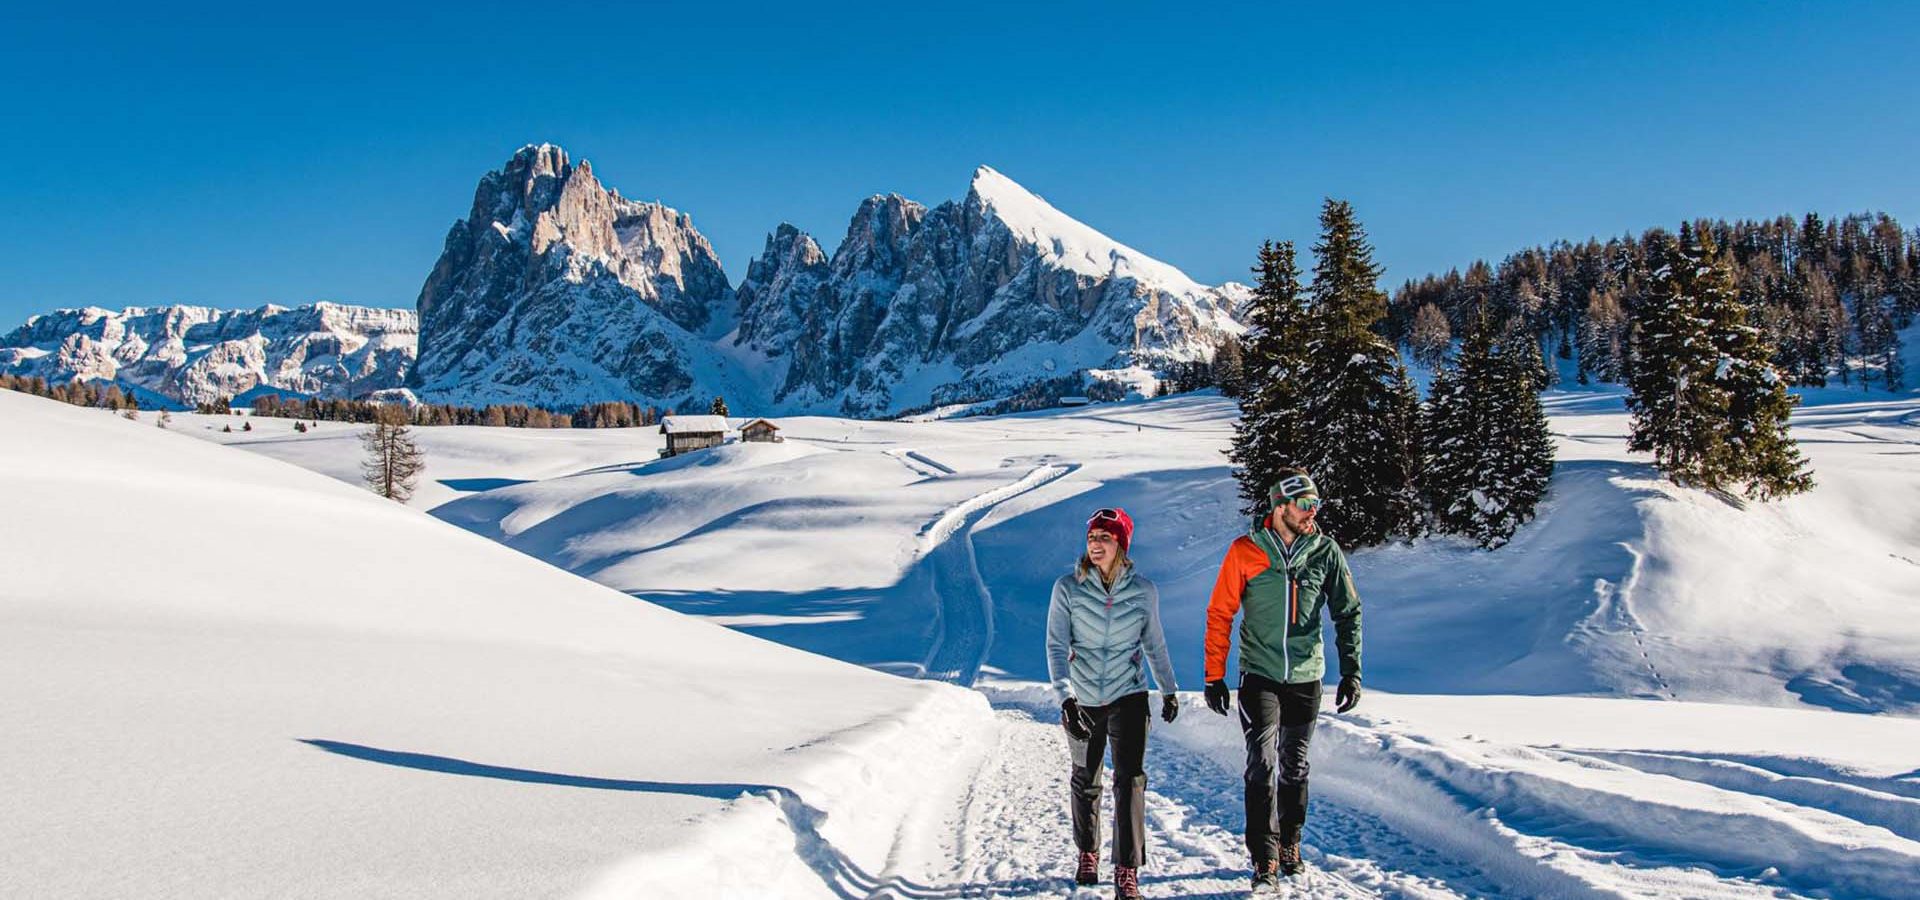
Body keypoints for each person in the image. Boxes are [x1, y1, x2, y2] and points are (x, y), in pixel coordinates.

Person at [1201, 469, 1362, 889]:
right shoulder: (1245, 551)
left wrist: (1351, 671)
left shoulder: (1325, 552)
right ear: (1281, 507)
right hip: (1260, 674)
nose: (1313, 513)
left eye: (1317, 506)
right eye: (1306, 505)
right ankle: (1265, 859)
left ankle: (1291, 843)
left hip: (1307, 675)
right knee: (1262, 762)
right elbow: (1221, 612)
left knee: (1295, 764)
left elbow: (1347, 612)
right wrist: (1214, 676)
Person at [1045, 507, 1179, 900]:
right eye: (1091, 537)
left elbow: (1154, 643)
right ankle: (1088, 852)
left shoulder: (1143, 591)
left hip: (1129, 695)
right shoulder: (1067, 588)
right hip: (1082, 698)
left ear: (1121, 544)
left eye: (1104, 537)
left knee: (1130, 780)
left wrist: (1168, 689)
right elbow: (1056, 644)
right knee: (1086, 778)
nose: (1095, 544)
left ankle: (1126, 870)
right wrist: (1065, 697)